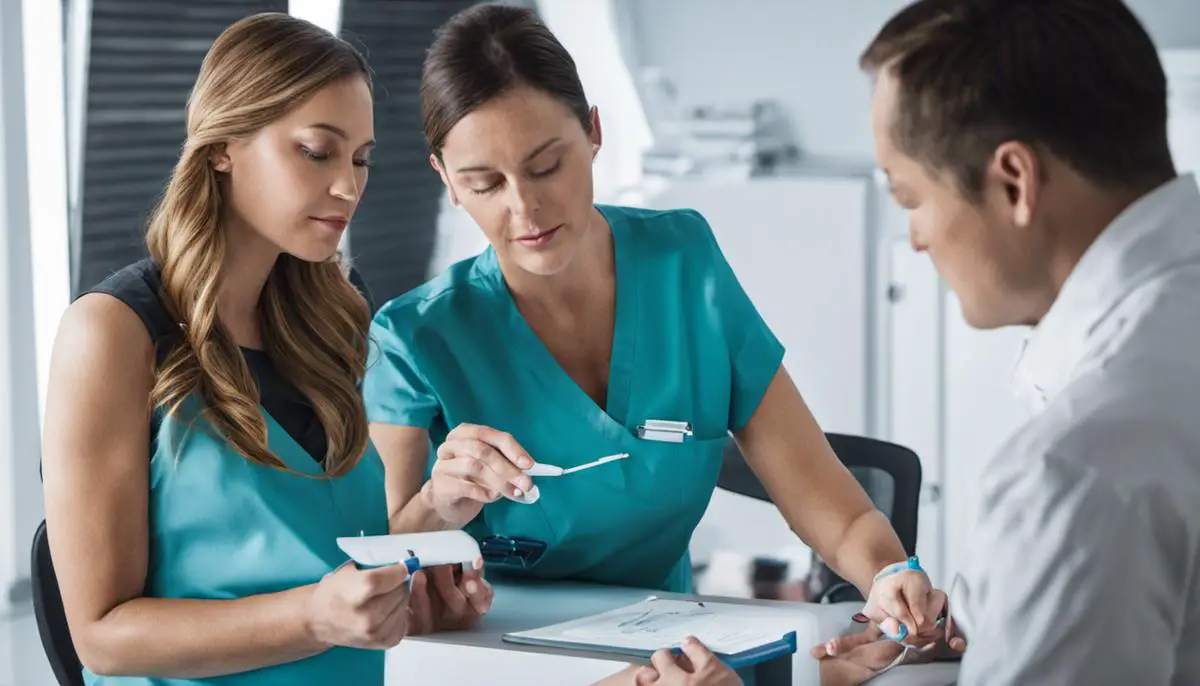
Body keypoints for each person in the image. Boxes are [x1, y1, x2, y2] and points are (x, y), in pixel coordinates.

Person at [363, 0, 944, 664]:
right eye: (484, 183)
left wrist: (892, 577)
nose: (525, 208)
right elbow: (379, 564)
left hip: (674, 657)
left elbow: (839, 511)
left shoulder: (683, 264)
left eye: (547, 165)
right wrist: (440, 502)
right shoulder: (414, 338)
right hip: (491, 659)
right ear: (447, 182)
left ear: (594, 133)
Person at [40, 13, 489, 686]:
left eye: (361, 159)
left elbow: (331, 556)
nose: (350, 187)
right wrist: (314, 618)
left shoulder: (335, 312)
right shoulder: (111, 334)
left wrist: (424, 551)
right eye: (317, 151)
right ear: (223, 145)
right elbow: (102, 637)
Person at [805, 0, 1200, 684]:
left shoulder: (1077, 468)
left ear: (1015, 181)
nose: (917, 239)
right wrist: (1005, 619)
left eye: (910, 200)